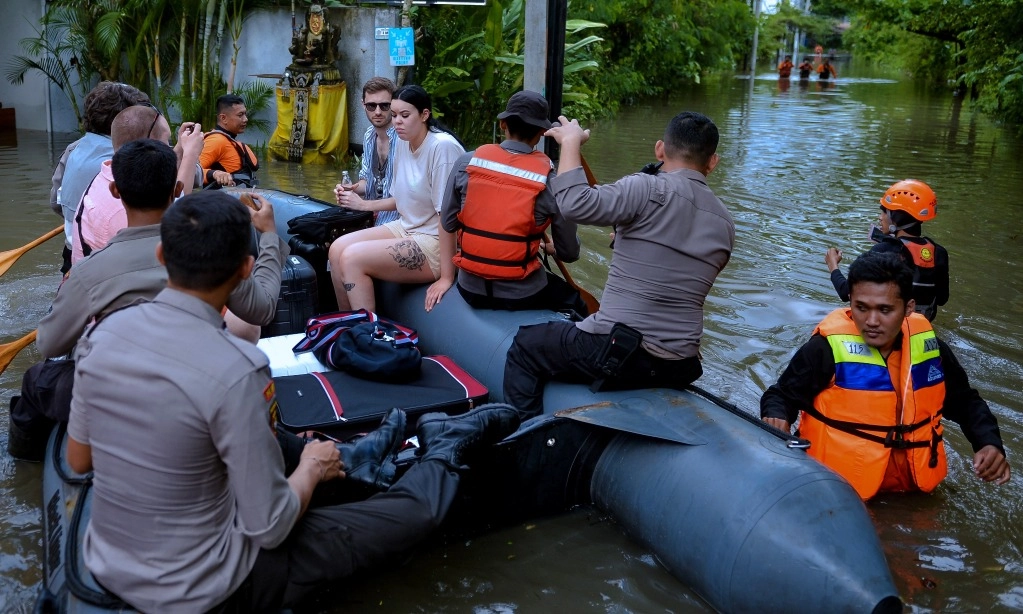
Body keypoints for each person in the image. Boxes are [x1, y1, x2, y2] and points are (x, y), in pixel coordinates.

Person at [64, 191, 520, 611]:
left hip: (111, 563)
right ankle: (444, 443)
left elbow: (79, 459)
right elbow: (270, 526)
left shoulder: (101, 338)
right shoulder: (239, 369)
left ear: (163, 256)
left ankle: (354, 457)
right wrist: (312, 469)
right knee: (412, 517)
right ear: (246, 269)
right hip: (211, 582)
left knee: (270, 443)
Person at [6, 140, 284, 461]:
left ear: (114, 191)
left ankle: (28, 470)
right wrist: (269, 237)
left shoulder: (90, 272)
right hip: (196, 381)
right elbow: (262, 308)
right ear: (177, 187)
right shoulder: (210, 251)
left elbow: (51, 345)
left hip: (121, 393)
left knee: (37, 378)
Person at [502, 111, 735, 418]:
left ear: (660, 150)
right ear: (713, 162)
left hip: (623, 353)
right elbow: (673, 271)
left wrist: (571, 143)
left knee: (526, 346)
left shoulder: (646, 188)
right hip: (680, 362)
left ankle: (519, 443)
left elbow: (574, 203)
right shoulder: (725, 224)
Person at [761, 251, 1010, 500]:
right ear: (851, 302)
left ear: (908, 308)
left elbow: (966, 403)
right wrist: (776, 416)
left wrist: (988, 443)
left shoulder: (932, 350)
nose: (871, 321)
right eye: (861, 308)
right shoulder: (824, 350)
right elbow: (781, 396)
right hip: (839, 491)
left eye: (885, 310)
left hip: (912, 491)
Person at [424, 90, 581, 313]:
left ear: (503, 124)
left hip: (469, 288)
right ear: (542, 133)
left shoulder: (466, 162)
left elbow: (448, 223)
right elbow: (569, 253)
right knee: (575, 301)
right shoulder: (552, 181)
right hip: (521, 294)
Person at [329, 84, 465, 312]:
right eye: (395, 115)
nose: (397, 122)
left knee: (352, 257)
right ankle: (348, 325)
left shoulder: (442, 148)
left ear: (424, 115)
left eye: (404, 115)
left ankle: (367, 335)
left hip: (434, 240)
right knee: (337, 249)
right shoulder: (402, 142)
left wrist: (446, 277)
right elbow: (401, 200)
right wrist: (359, 199)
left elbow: (447, 216)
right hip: (407, 226)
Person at [71, 104, 204, 265]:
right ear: (149, 145)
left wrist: (181, 149)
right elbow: (177, 213)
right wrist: (191, 154)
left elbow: (171, 187)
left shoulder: (111, 170)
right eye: (166, 141)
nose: (168, 147)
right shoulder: (124, 208)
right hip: (111, 286)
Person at [51, 81, 150, 273]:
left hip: (72, 255)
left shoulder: (73, 149)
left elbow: (56, 202)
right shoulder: (134, 157)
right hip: (111, 259)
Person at [825, 179, 949, 321]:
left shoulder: (883, 250)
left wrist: (832, 265)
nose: (880, 218)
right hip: (922, 329)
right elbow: (941, 299)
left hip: (890, 329)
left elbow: (845, 292)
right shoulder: (939, 253)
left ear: (894, 217)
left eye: (884, 212)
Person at [335, 77, 400, 226]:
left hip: (397, 221)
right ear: (363, 104)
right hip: (373, 217)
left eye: (384, 106)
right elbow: (367, 181)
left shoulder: (403, 139)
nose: (377, 112)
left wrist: (363, 205)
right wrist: (351, 190)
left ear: (393, 105)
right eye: (371, 106)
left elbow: (407, 197)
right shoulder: (369, 135)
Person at [200, 94, 259, 187]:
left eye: (245, 114)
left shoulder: (229, 140)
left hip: (239, 198)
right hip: (220, 200)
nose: (245, 119)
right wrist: (214, 174)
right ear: (223, 118)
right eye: (240, 115)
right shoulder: (216, 141)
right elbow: (191, 171)